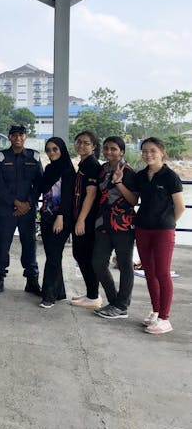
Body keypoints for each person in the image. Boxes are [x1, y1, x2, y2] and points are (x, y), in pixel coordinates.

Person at [134, 137, 185, 335]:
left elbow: (180, 207)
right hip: (142, 228)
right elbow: (133, 199)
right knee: (149, 271)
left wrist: (167, 222)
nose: (148, 154)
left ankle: (165, 318)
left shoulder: (170, 176)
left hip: (163, 231)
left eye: (153, 151)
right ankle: (156, 311)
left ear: (162, 152)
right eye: (145, 151)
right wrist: (119, 181)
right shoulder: (141, 176)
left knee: (162, 273)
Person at [0, 125, 42, 295]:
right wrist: (15, 202)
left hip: (28, 209)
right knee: (2, 244)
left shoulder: (34, 156)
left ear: (26, 137)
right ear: (9, 138)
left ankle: (32, 280)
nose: (18, 138)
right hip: (6, 209)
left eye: (21, 135)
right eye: (14, 135)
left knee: (29, 244)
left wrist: (28, 203)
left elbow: (40, 183)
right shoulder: (0, 156)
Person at [92, 136, 139, 320]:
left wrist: (119, 183)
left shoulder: (128, 172)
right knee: (98, 263)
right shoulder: (102, 169)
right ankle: (113, 301)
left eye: (113, 149)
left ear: (122, 151)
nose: (109, 152)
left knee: (125, 264)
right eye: (106, 148)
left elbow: (134, 200)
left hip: (122, 223)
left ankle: (122, 305)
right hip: (103, 222)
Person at [38, 137, 75, 308]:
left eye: (55, 149)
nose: (51, 153)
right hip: (46, 216)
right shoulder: (49, 168)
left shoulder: (68, 171)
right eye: (48, 150)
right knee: (53, 255)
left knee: (53, 256)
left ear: (62, 150)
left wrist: (61, 217)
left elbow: (68, 197)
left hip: (60, 219)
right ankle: (59, 291)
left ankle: (48, 295)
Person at [70, 131, 102, 309]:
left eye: (86, 143)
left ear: (94, 147)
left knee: (84, 256)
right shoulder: (83, 163)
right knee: (80, 255)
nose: (81, 145)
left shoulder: (92, 165)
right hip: (80, 217)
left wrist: (81, 220)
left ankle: (93, 296)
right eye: (79, 142)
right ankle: (91, 293)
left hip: (87, 220)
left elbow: (91, 194)